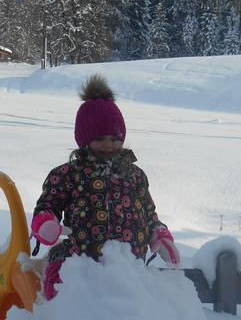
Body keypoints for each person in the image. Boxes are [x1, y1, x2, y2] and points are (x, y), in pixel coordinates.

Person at [31, 74, 180, 300]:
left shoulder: (135, 175)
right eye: (101, 139)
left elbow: (148, 212)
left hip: (129, 265)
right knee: (61, 291)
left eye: (115, 138)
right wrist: (45, 222)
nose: (109, 145)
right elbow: (48, 203)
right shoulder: (69, 173)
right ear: (85, 139)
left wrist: (159, 234)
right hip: (80, 261)